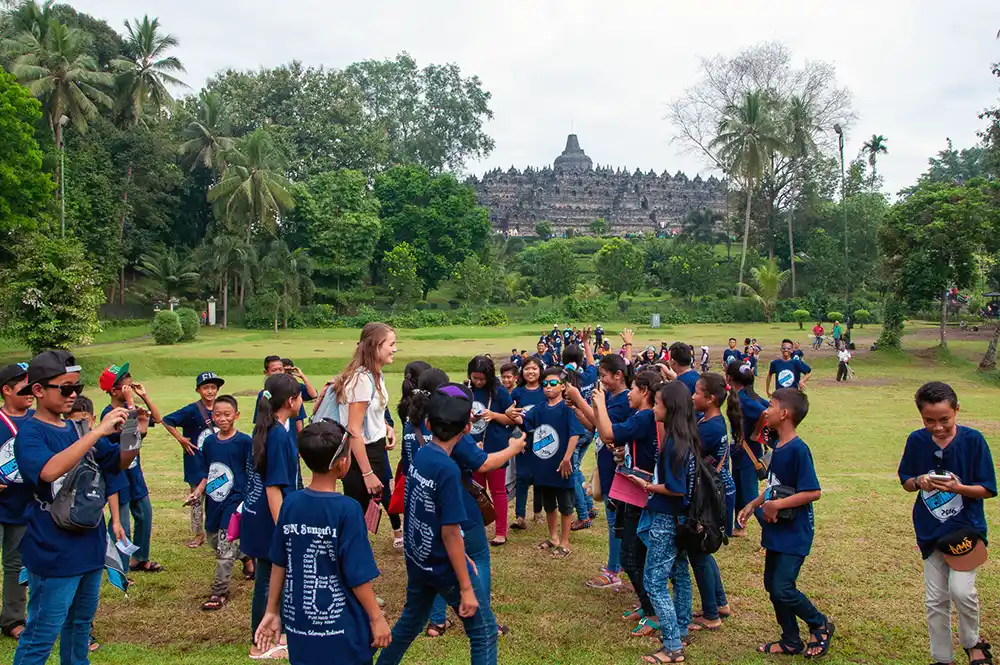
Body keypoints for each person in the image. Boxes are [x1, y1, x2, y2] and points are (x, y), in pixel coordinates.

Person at [12, 351, 136, 665]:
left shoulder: (77, 430)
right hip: (54, 551)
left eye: (77, 389)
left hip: (90, 546)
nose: (73, 396)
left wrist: (133, 428)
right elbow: (48, 471)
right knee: (42, 632)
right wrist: (97, 431)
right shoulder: (30, 433)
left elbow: (120, 462)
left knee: (80, 627)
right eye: (65, 389)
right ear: (38, 391)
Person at [376, 383, 498, 665]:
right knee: (484, 633)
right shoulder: (448, 470)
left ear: (428, 423)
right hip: (444, 567)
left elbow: (419, 514)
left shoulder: (422, 455)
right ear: (467, 428)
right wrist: (466, 587)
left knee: (410, 623)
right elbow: (451, 532)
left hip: (420, 561)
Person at [255, 420, 391, 665]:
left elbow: (279, 561)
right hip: (341, 630)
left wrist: (272, 610)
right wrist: (376, 617)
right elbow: (357, 574)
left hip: (299, 626)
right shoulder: (347, 509)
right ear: (343, 463)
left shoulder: (291, 503)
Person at [400, 369, 522, 640]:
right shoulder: (453, 428)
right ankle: (484, 618)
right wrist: (514, 447)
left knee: (436, 557)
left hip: (423, 499)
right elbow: (484, 462)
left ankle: (436, 620)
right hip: (458, 500)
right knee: (478, 555)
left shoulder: (413, 422)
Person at [898, 382, 995, 665]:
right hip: (930, 531)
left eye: (944, 420)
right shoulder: (917, 440)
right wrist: (918, 481)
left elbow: (987, 489)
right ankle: (942, 657)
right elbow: (905, 480)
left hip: (966, 528)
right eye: (929, 420)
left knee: (962, 591)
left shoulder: (973, 440)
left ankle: (972, 642)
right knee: (935, 599)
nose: (937, 427)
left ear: (956, 411)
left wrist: (957, 488)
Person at [738, 388, 833, 658]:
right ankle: (790, 640)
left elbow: (812, 491)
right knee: (772, 585)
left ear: (785, 413)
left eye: (771, 405)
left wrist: (776, 505)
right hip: (776, 529)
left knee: (783, 587)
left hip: (795, 532)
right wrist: (754, 504)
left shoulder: (798, 449)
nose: (765, 410)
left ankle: (819, 623)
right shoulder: (778, 445)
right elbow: (774, 486)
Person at [580, 371, 662, 638]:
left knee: (632, 555)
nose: (629, 393)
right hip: (631, 491)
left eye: (634, 389)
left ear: (645, 392)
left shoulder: (645, 417)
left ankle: (653, 613)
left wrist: (600, 404)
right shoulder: (643, 417)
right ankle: (646, 605)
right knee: (632, 554)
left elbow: (607, 433)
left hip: (640, 495)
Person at [628, 381, 696, 663]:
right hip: (678, 518)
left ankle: (673, 646)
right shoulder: (687, 437)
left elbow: (676, 487)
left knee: (654, 581)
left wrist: (648, 486)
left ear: (670, 407)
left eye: (657, 403)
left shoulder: (673, 444)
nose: (653, 407)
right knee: (679, 571)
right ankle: (680, 628)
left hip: (666, 518)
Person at [243, 373, 303, 660]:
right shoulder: (278, 435)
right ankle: (261, 642)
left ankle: (274, 631)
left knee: (267, 579)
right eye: (299, 397)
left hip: (257, 516)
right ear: (290, 402)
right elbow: (273, 488)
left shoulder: (264, 427)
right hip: (270, 519)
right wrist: (284, 530)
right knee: (268, 580)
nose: (302, 402)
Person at [506, 367, 585, 560]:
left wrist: (567, 458)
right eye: (545, 384)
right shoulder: (539, 408)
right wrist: (509, 414)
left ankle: (565, 543)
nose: (548, 387)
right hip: (543, 465)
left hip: (561, 464)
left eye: (553, 383)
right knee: (549, 504)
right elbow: (522, 421)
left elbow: (575, 434)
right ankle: (553, 538)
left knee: (566, 505)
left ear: (563, 386)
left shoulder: (568, 408)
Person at [187, 395, 253, 611]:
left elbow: (252, 472)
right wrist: (198, 492)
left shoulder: (244, 442)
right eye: (217, 414)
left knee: (224, 549)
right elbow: (208, 472)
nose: (222, 418)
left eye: (227, 414)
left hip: (235, 501)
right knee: (215, 540)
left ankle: (219, 592)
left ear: (236, 416)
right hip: (215, 501)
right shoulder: (209, 442)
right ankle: (246, 556)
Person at [98, 363, 165, 573]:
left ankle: (140, 558)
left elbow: (158, 419)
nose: (131, 390)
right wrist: (129, 404)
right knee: (122, 524)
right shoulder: (109, 414)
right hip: (118, 476)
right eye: (127, 387)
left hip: (135, 473)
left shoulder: (131, 407)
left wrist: (143, 397)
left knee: (145, 514)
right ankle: (119, 566)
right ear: (114, 390)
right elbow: (129, 435)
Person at [331, 323, 397, 516]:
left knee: (366, 509)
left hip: (374, 450)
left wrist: (385, 427)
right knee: (357, 512)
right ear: (375, 346)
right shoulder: (361, 379)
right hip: (362, 454)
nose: (395, 349)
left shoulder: (375, 375)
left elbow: (368, 414)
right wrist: (367, 474)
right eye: (391, 344)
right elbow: (353, 429)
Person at [162, 371, 226, 549]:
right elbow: (167, 420)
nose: (210, 391)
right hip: (196, 463)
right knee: (196, 500)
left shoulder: (221, 409)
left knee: (217, 497)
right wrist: (180, 439)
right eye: (206, 388)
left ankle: (218, 531)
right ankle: (198, 534)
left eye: (213, 387)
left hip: (216, 463)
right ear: (198, 390)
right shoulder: (192, 410)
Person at [690, 373, 733, 630]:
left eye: (696, 392)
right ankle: (719, 603)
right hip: (711, 493)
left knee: (699, 552)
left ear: (711, 399)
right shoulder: (711, 420)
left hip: (706, 497)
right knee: (704, 551)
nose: (692, 396)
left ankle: (710, 615)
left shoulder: (709, 428)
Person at [467, 356, 515, 546]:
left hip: (495, 448)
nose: (478, 382)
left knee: (497, 491)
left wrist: (493, 415)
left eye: (482, 378)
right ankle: (477, 529)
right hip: (472, 450)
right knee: (476, 492)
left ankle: (501, 532)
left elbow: (512, 419)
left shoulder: (500, 393)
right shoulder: (467, 391)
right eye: (475, 377)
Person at [0, 362, 33, 641]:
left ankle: (12, 619)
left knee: (15, 565)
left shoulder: (38, 419)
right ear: (7, 390)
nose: (31, 389)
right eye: (23, 384)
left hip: (22, 506)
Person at [726, 362, 768, 537]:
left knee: (751, 495)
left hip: (748, 453)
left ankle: (771, 531)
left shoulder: (745, 399)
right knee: (738, 489)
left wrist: (757, 432)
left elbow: (765, 413)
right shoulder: (746, 395)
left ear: (729, 378)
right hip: (740, 452)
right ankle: (739, 526)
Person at [565, 338, 599, 530]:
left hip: (575, 430)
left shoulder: (565, 378)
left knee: (573, 473)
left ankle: (584, 516)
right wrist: (586, 344)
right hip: (590, 428)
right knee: (576, 469)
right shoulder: (589, 374)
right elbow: (592, 362)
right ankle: (590, 506)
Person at [510, 357, 546, 530]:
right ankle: (520, 516)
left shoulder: (545, 390)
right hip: (522, 439)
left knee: (539, 476)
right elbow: (510, 416)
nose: (530, 372)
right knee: (522, 476)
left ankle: (538, 511)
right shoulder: (517, 393)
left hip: (542, 439)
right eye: (527, 368)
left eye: (534, 368)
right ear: (522, 372)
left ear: (540, 371)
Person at [253, 356, 318, 437]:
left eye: (280, 369)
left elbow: (299, 419)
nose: (278, 372)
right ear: (266, 372)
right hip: (274, 438)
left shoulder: (293, 390)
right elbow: (259, 422)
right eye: (274, 370)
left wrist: (302, 377)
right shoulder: (264, 395)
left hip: (291, 439)